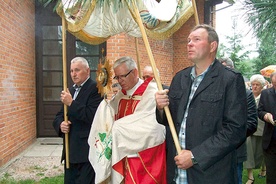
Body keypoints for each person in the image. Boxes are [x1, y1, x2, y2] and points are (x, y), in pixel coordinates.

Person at [155, 24, 247, 183]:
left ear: (213, 46)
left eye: (196, 39)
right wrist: (161, 108)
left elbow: (235, 130)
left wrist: (195, 156)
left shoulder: (230, 79)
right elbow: (169, 121)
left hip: (211, 174)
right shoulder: (179, 78)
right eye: (188, 40)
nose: (189, 43)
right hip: (177, 173)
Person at [88, 56, 166, 183]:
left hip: (143, 156)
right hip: (120, 156)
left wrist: (120, 129)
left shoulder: (152, 93)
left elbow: (154, 126)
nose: (119, 81)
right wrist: (105, 105)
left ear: (135, 72)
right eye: (117, 77)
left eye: (122, 76)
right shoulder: (120, 95)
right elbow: (108, 118)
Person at [53, 57, 103, 184]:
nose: (73, 74)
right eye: (71, 71)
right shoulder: (71, 90)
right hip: (70, 151)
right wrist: (60, 125)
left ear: (87, 71)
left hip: (86, 152)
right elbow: (60, 115)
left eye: (77, 70)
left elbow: (92, 116)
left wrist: (71, 103)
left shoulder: (96, 89)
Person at [219, 58, 258, 184]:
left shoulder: (246, 94)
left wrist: (228, 137)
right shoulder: (212, 92)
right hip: (211, 154)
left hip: (235, 151)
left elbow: (252, 123)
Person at [244, 74, 267, 184]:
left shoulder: (265, 96)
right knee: (249, 152)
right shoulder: (248, 96)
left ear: (262, 86)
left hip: (263, 128)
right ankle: (250, 177)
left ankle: (263, 169)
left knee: (262, 152)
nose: (255, 87)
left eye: (257, 85)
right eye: (253, 84)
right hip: (250, 128)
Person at [258, 72, 276, 184]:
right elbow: (259, 110)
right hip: (270, 141)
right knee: (272, 176)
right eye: (274, 84)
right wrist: (265, 115)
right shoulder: (265, 93)